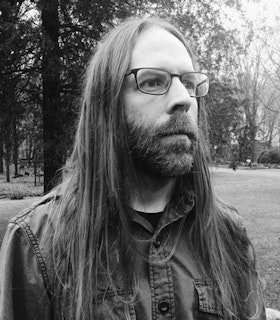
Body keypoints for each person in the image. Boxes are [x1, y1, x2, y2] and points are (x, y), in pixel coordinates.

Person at [0, 17, 266, 320]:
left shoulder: (229, 234)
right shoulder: (37, 242)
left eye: (189, 84)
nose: (183, 99)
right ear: (108, 104)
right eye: (153, 81)